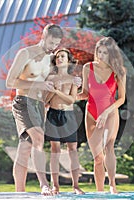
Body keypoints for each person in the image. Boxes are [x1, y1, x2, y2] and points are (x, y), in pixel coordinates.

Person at [6, 24, 63, 196]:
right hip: (23, 101)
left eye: (56, 44)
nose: (53, 47)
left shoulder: (51, 59)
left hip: (39, 106)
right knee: (38, 138)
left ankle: (19, 193)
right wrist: (38, 84)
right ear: (43, 37)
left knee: (25, 148)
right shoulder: (25, 54)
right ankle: (44, 185)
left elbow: (50, 84)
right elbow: (10, 82)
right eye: (51, 43)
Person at [77, 37, 126, 194]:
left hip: (110, 112)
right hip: (91, 113)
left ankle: (112, 184)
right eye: (99, 52)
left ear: (111, 54)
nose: (101, 55)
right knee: (97, 158)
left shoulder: (118, 71)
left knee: (108, 146)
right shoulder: (87, 67)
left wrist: (106, 113)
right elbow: (85, 93)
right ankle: (100, 193)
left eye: (105, 52)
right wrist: (72, 96)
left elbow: (122, 98)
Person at [44, 48, 85, 195]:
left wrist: (56, 91)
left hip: (68, 115)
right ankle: (55, 186)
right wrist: (51, 91)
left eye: (62, 56)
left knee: (72, 150)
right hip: (53, 115)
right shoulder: (50, 78)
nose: (59, 58)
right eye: (57, 57)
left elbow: (71, 100)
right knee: (55, 151)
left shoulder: (73, 79)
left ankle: (76, 186)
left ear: (68, 61)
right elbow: (45, 101)